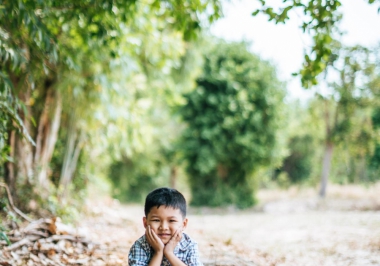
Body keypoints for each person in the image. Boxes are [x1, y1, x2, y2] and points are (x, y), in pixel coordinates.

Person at [128, 187, 203, 266]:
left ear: (183, 224)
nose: (164, 227)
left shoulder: (189, 245)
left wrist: (169, 253)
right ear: (145, 223)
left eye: (171, 221)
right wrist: (158, 252)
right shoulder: (141, 245)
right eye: (156, 220)